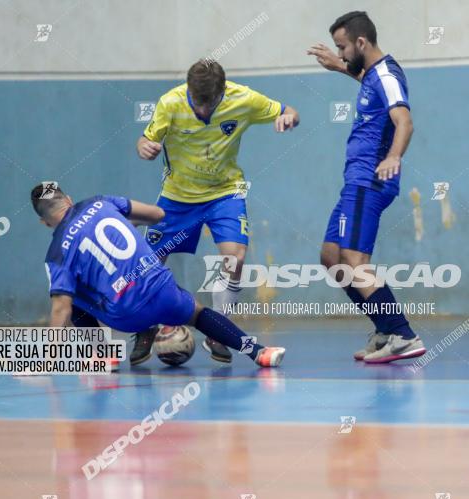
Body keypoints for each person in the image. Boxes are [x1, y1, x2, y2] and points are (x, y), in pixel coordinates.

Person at [134, 59, 299, 364]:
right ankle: (145, 328)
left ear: (223, 91)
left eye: (210, 103)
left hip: (225, 192)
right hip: (177, 196)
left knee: (234, 258)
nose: (203, 111)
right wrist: (144, 146)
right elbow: (146, 139)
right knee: (148, 265)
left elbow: (290, 111)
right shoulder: (170, 104)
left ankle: (217, 333)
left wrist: (288, 119)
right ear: (189, 91)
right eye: (198, 103)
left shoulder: (244, 99)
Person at [32, 183, 285, 368]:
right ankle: (259, 352)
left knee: (68, 296)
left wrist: (46, 359)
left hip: (125, 314)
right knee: (197, 313)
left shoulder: (56, 254)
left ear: (45, 223)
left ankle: (102, 354)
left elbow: (61, 311)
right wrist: (130, 224)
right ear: (69, 197)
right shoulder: (101, 201)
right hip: (163, 291)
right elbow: (158, 215)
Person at [307, 11, 425, 363]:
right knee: (332, 257)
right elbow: (369, 83)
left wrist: (393, 157)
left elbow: (405, 121)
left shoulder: (387, 74)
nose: (340, 53)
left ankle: (403, 334)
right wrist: (339, 68)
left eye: (342, 47)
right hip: (354, 183)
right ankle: (385, 329)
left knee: (355, 261)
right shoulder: (373, 75)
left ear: (361, 42)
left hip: (369, 181)